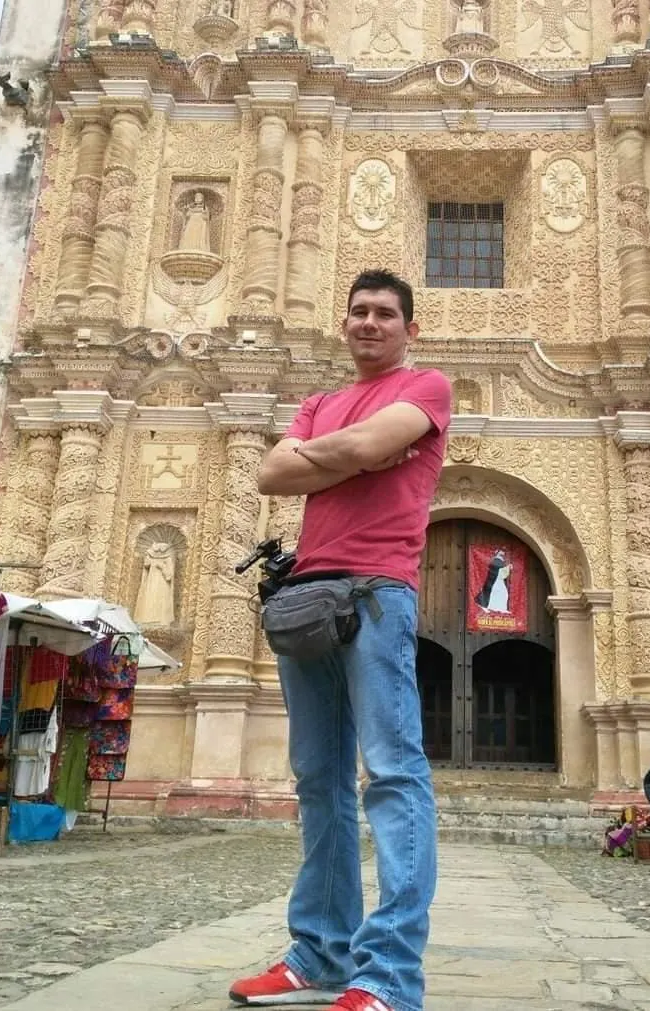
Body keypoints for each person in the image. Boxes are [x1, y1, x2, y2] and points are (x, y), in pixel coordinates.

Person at [229, 269, 452, 1011]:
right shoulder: (321, 400)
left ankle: (388, 975)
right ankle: (319, 950)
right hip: (306, 596)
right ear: (344, 322)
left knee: (391, 771)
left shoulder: (427, 388)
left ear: (409, 329)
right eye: (357, 311)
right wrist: (354, 450)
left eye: (385, 313)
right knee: (317, 779)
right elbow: (269, 472)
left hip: (377, 592)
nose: (369, 322)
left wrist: (319, 455)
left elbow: (313, 458)